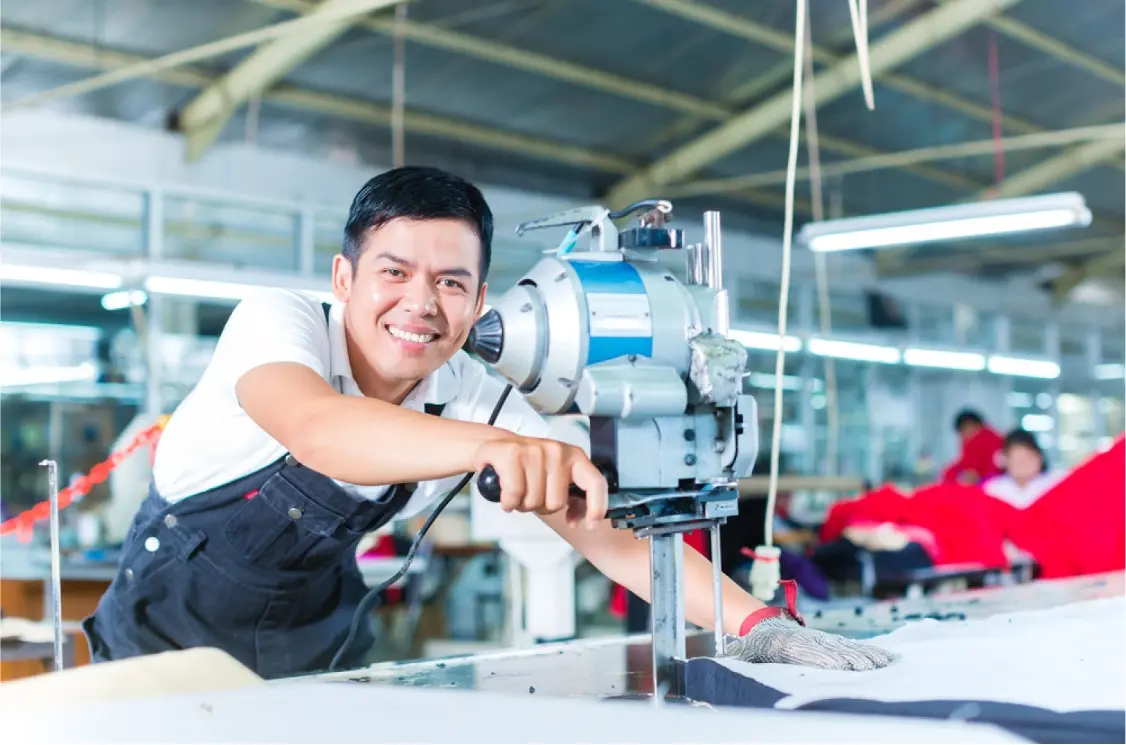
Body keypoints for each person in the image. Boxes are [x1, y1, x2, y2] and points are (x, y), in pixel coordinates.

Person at [81, 166, 895, 679]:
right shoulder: (278, 324)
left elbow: (603, 530)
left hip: (316, 652)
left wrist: (755, 621)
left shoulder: (468, 385)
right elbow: (322, 430)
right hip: (159, 657)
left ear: (478, 300)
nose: (420, 304)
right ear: (345, 275)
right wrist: (502, 445)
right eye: (394, 273)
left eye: (451, 282)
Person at [982, 428, 1066, 509]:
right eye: (1016, 459)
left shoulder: (1055, 484)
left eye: (1027, 458)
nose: (1022, 464)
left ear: (1040, 457)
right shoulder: (993, 489)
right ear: (1004, 460)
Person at [941, 409, 1004, 485]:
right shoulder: (996, 437)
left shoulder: (981, 440)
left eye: (969, 428)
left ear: (979, 426)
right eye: (962, 431)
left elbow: (971, 476)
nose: (965, 435)